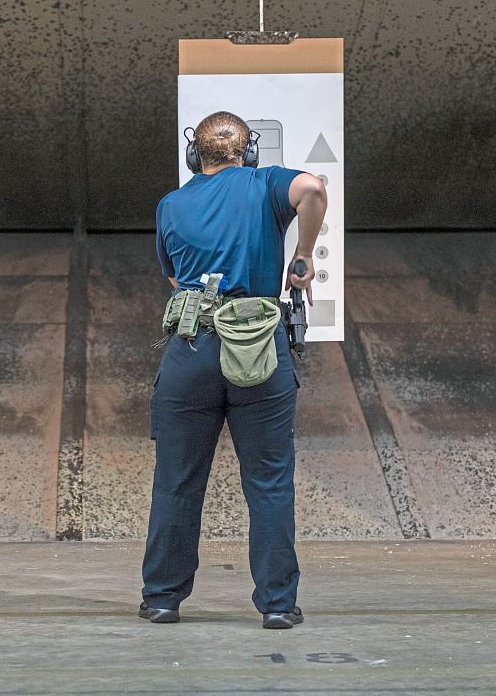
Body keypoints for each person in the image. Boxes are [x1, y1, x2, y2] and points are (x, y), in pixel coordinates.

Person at [140, 111, 327, 629]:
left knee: (177, 481)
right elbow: (312, 188)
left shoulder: (172, 204)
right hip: (259, 348)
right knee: (268, 483)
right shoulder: (265, 183)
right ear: (247, 152)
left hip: (191, 350)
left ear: (194, 155)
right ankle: (277, 605)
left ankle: (162, 598)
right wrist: (303, 256)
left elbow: (176, 277)